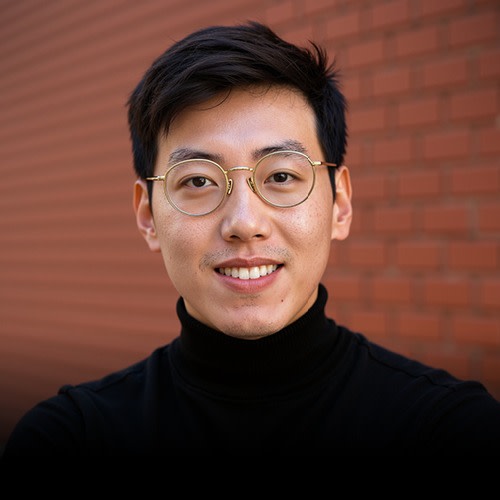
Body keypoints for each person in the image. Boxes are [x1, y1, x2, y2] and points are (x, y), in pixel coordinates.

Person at [4, 21, 500, 457]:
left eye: (282, 176)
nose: (244, 222)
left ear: (340, 204)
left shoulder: (449, 430)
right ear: (147, 216)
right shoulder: (72, 439)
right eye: (198, 181)